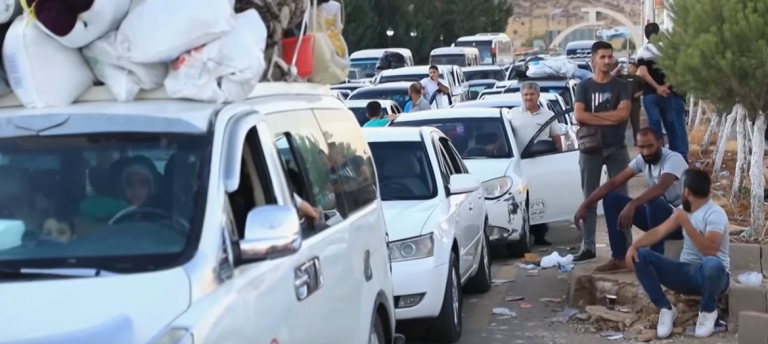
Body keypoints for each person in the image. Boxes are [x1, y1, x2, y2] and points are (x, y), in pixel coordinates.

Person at [626, 168, 729, 339]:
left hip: (714, 278)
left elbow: (710, 250)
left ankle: (708, 311)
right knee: (642, 255)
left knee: (711, 263)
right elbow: (659, 232)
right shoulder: (684, 209)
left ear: (686, 191)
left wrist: (687, 224)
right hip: (685, 274)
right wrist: (634, 246)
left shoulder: (715, 214)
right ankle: (666, 308)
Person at [574, 128, 686, 271]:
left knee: (654, 200)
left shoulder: (673, 159)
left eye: (650, 146)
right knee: (611, 199)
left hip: (682, 222)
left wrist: (633, 204)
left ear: (660, 143)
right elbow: (613, 183)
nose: (646, 152)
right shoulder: (642, 160)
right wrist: (585, 204)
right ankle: (619, 258)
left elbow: (660, 188)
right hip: (658, 219)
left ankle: (655, 259)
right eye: (641, 147)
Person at [573, 41, 632, 262]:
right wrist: (611, 116)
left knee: (620, 199)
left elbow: (623, 115)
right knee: (589, 198)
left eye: (610, 57)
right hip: (591, 150)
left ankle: (625, 247)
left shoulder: (621, 86)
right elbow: (579, 116)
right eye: (603, 57)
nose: (608, 61)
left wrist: (595, 117)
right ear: (593, 60)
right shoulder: (584, 87)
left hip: (617, 148)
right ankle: (588, 246)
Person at [636, 22, 689, 161]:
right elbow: (676, 70)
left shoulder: (642, 51)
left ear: (645, 35)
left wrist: (656, 87)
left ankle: (658, 157)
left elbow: (643, 73)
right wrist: (665, 86)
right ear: (659, 33)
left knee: (654, 125)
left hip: (650, 94)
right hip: (668, 93)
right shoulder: (668, 50)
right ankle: (678, 158)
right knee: (672, 126)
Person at [507, 81, 563, 153]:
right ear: (522, 96)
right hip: (517, 161)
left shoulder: (549, 115)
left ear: (538, 95)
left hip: (542, 160)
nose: (529, 97)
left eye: (532, 94)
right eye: (526, 94)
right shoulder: (512, 113)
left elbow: (557, 140)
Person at [617, 61, 645, 144]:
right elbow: (612, 76)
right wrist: (618, 67)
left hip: (635, 103)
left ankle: (637, 141)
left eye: (631, 66)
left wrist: (640, 93)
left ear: (636, 68)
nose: (629, 68)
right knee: (622, 123)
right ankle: (620, 141)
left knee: (635, 123)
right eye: (628, 66)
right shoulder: (623, 77)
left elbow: (646, 88)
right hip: (624, 103)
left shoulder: (638, 78)